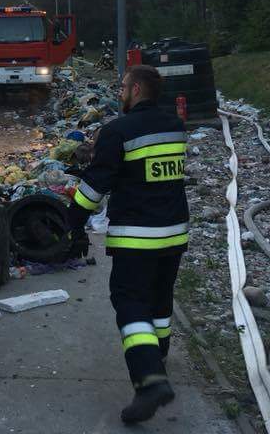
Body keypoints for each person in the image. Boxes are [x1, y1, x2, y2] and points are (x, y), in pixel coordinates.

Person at [67, 64, 189, 423]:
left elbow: (96, 186)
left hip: (137, 237)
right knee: (160, 299)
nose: (119, 92)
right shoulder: (175, 127)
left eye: (122, 87)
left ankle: (150, 381)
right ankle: (159, 353)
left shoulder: (117, 131)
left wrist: (72, 220)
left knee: (130, 302)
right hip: (174, 233)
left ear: (136, 89)